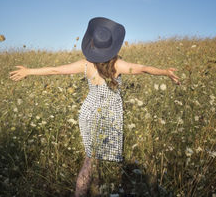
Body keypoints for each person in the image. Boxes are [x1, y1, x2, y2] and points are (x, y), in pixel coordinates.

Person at [9, 17, 180, 196]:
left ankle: (92, 191)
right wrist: (165, 72)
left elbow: (55, 70)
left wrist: (28, 71)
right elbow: (144, 68)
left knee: (93, 160)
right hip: (105, 116)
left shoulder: (85, 64)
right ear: (112, 46)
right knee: (90, 163)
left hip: (88, 114)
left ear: (92, 45)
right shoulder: (118, 65)